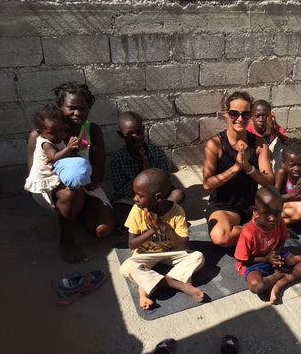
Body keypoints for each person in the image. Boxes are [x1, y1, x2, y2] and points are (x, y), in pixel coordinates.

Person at [27, 82, 115, 263]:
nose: (78, 113)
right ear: (60, 107)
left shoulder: (92, 131)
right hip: (55, 187)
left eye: (83, 109)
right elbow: (34, 173)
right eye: (72, 108)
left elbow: (98, 173)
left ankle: (75, 212)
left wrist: (75, 169)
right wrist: (68, 175)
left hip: (88, 185)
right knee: (70, 190)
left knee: (103, 230)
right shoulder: (42, 136)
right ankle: (66, 240)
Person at [120, 168, 205, 310]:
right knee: (126, 267)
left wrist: (162, 226)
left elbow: (184, 245)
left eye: (140, 196)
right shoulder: (137, 210)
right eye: (135, 194)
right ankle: (176, 283)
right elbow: (131, 244)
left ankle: (146, 288)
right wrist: (152, 230)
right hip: (144, 254)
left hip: (170, 251)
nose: (135, 199)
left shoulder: (176, 211)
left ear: (158, 197)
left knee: (198, 257)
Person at [203, 92, 274, 247]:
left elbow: (269, 181)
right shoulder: (215, 144)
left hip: (251, 205)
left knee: (297, 210)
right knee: (220, 236)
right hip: (224, 206)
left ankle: (254, 229)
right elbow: (207, 185)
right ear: (227, 114)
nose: (240, 119)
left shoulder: (260, 144)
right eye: (234, 113)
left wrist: (249, 168)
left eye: (245, 114)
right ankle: (257, 230)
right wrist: (235, 168)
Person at [235, 186, 301, 304]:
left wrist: (276, 254)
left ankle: (278, 284)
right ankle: (279, 275)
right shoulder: (248, 231)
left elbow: (283, 239)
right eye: (267, 214)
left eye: (277, 213)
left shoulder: (280, 221)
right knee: (256, 286)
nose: (272, 218)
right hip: (255, 262)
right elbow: (241, 258)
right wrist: (266, 259)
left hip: (275, 256)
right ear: (256, 211)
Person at [110, 111, 185, 229]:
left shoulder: (156, 152)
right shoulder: (118, 159)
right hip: (135, 200)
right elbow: (120, 192)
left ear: (144, 129)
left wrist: (148, 169)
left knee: (178, 194)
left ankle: (146, 223)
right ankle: (159, 221)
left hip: (158, 199)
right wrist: (141, 171)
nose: (136, 136)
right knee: (118, 211)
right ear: (121, 134)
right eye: (129, 134)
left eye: (139, 131)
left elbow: (166, 180)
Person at [24, 104, 91, 209]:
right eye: (52, 133)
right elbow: (55, 156)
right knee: (72, 190)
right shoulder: (45, 143)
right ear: (40, 132)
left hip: (54, 173)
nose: (58, 135)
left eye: (61, 130)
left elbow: (69, 152)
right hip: (45, 180)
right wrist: (69, 147)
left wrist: (78, 146)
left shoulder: (59, 138)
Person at [246, 100, 287, 172]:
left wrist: (277, 132)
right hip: (256, 161)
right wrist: (266, 135)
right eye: (257, 116)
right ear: (252, 117)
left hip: (272, 157)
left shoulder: (273, 126)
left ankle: (277, 175)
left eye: (265, 116)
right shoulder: (248, 129)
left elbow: (291, 144)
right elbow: (251, 153)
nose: (261, 119)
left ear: (270, 117)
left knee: (280, 142)